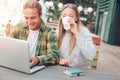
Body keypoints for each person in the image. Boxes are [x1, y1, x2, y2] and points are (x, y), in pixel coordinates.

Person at [10, 0, 59, 67]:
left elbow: (55, 56)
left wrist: (38, 60)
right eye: (26, 18)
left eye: (33, 18)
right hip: (18, 66)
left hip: (39, 71)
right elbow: (9, 49)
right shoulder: (18, 28)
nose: (29, 22)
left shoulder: (49, 32)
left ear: (40, 15)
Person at [58, 4, 96, 68]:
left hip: (81, 70)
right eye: (64, 16)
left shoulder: (83, 31)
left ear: (76, 18)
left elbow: (91, 55)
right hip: (62, 69)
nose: (67, 18)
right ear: (61, 18)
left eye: (71, 16)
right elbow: (52, 54)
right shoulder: (58, 33)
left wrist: (77, 33)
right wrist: (60, 60)